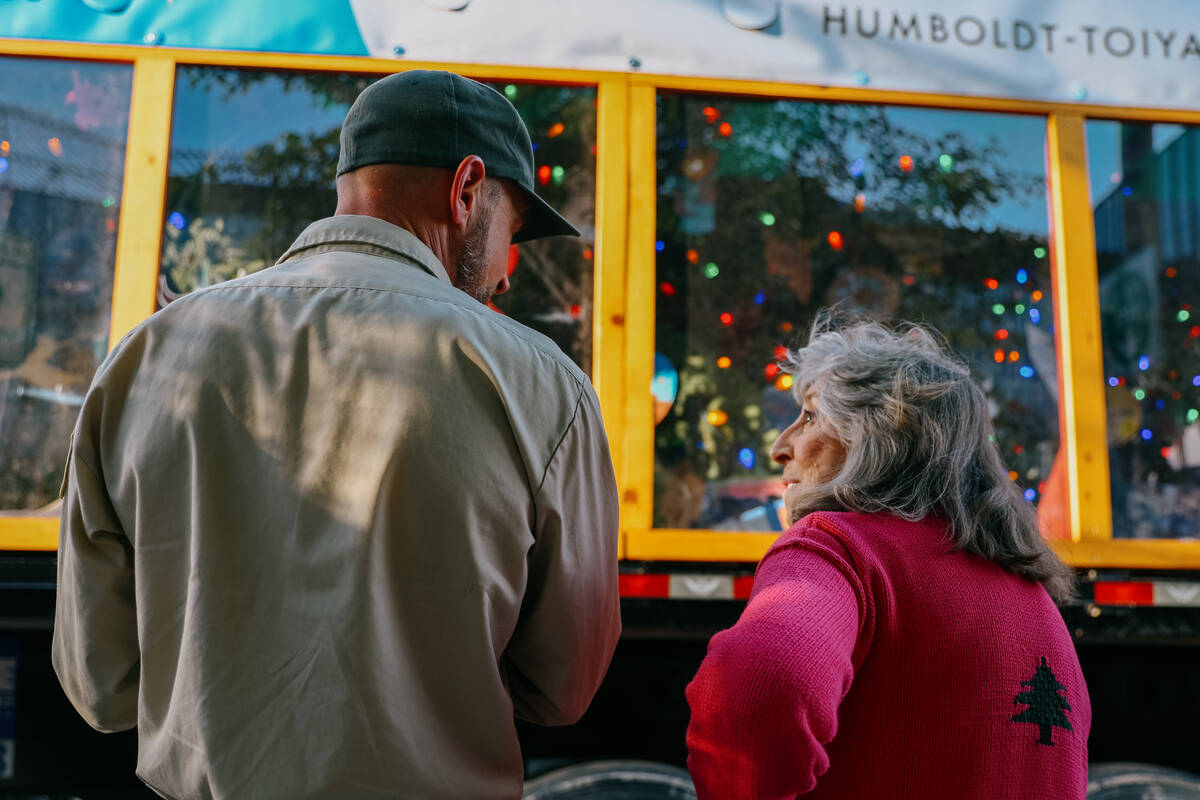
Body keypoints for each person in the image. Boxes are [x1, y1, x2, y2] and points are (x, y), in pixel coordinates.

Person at [51, 70, 621, 800]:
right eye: (511, 230)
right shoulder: (542, 385)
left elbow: (99, 686)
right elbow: (564, 689)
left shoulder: (145, 358)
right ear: (466, 190)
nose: (506, 277)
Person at [685, 315, 1090, 799]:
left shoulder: (836, 547)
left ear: (875, 434)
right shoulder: (1032, 597)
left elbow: (756, 691)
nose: (780, 446)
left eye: (810, 417)